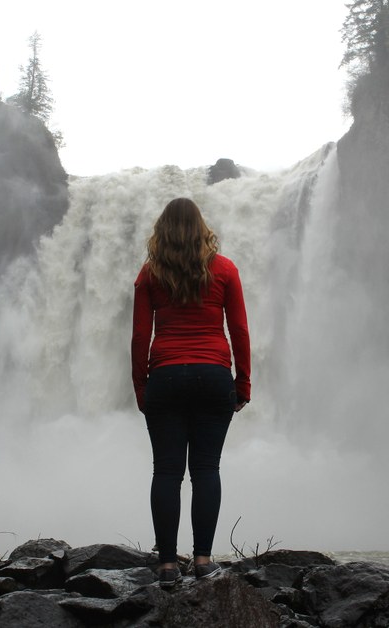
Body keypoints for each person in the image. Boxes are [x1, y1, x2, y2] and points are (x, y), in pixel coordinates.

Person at [131, 197, 251, 589]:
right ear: (202, 229)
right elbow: (240, 330)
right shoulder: (224, 269)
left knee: (166, 471)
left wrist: (141, 387)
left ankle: (167, 566)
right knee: (206, 470)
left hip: (165, 377)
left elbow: (139, 337)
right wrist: (243, 382)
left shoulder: (150, 274)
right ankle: (202, 561)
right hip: (213, 376)